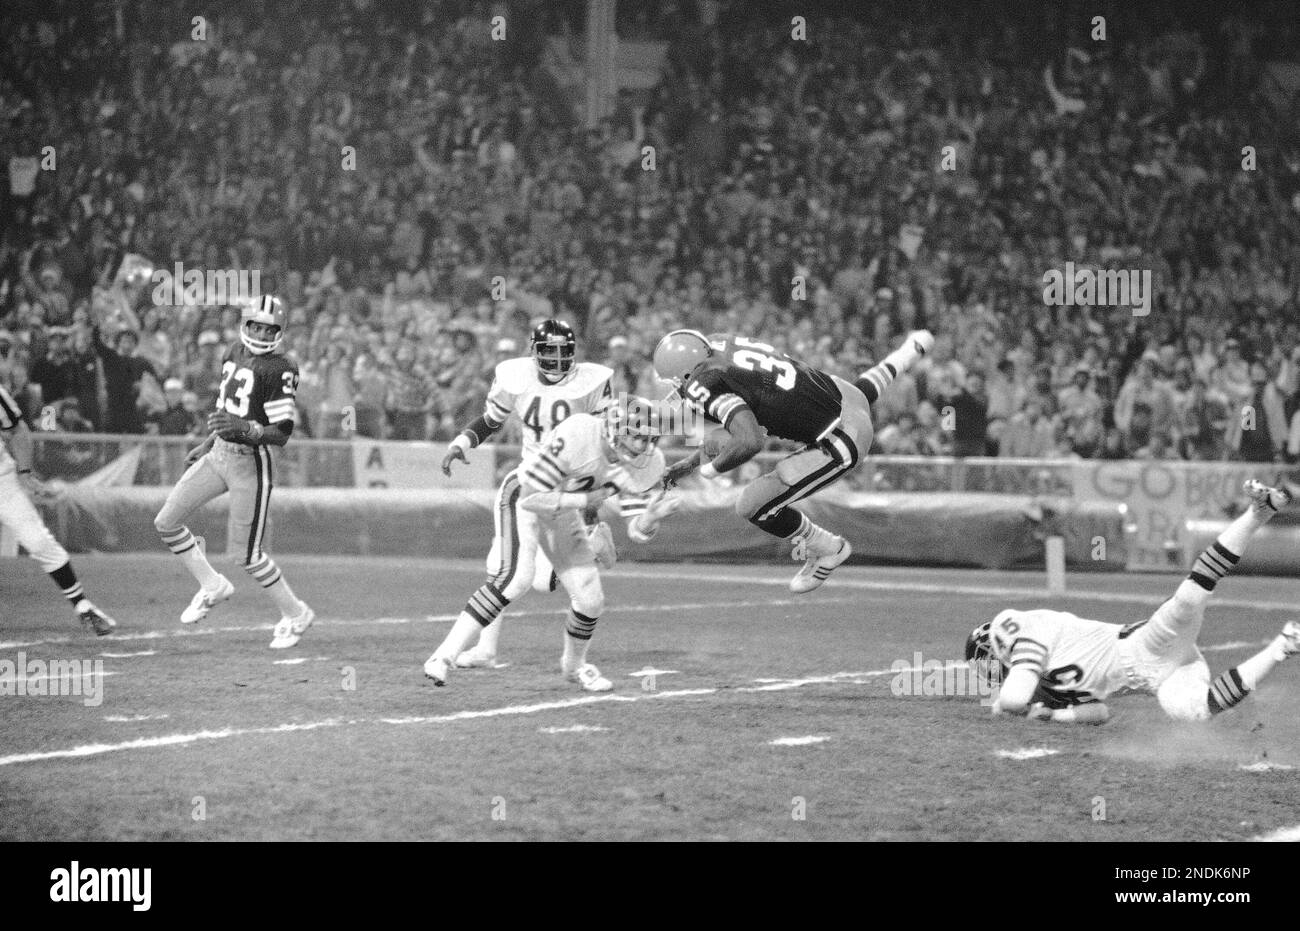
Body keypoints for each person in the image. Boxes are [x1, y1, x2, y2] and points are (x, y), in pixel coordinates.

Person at [965, 480, 1300, 724]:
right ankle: (1283, 645)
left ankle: (1257, 513)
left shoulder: (1020, 629)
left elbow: (1012, 698)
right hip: (1157, 677)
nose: (1000, 674)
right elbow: (1099, 712)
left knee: (1188, 598)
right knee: (1195, 712)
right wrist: (1053, 715)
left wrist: (1010, 707)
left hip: (1145, 644)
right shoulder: (1043, 678)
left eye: (995, 668)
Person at [654, 328, 932, 591]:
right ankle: (911, 349)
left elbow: (749, 441)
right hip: (843, 394)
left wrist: (710, 471)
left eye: (676, 382)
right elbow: (735, 427)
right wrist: (690, 463)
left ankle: (828, 548)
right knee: (864, 391)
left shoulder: (706, 383)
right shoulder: (718, 343)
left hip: (841, 438)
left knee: (751, 504)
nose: (677, 389)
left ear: (688, 372)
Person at [425, 404, 676, 691]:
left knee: (590, 598)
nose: (643, 446)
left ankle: (574, 667)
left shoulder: (648, 463)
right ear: (615, 432)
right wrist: (590, 499)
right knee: (515, 578)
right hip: (525, 494)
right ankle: (443, 656)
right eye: (636, 437)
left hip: (564, 508)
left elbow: (636, 531)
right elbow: (532, 498)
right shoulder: (580, 434)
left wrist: (650, 518)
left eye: (649, 439)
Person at [439, 319, 642, 669]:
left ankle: (581, 552)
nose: (557, 359)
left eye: (564, 352)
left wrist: (592, 515)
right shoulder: (515, 378)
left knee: (538, 582)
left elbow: (603, 441)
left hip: (566, 488)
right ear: (533, 351)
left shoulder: (592, 382)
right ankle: (486, 649)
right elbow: (490, 420)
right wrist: (461, 442)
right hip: (530, 481)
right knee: (500, 566)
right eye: (549, 351)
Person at [152, 297, 315, 649]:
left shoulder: (281, 367)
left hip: (250, 462)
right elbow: (227, 408)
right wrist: (209, 441)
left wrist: (246, 428)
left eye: (266, 328)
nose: (258, 332)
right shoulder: (233, 350)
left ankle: (297, 613)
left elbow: (282, 434)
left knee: (247, 554)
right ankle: (212, 585)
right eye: (254, 325)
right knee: (166, 522)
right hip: (220, 453)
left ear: (278, 332)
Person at [0, 382, 116, 635]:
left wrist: (24, 473)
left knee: (38, 541)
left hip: (2, 480)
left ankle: (82, 605)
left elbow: (18, 431)